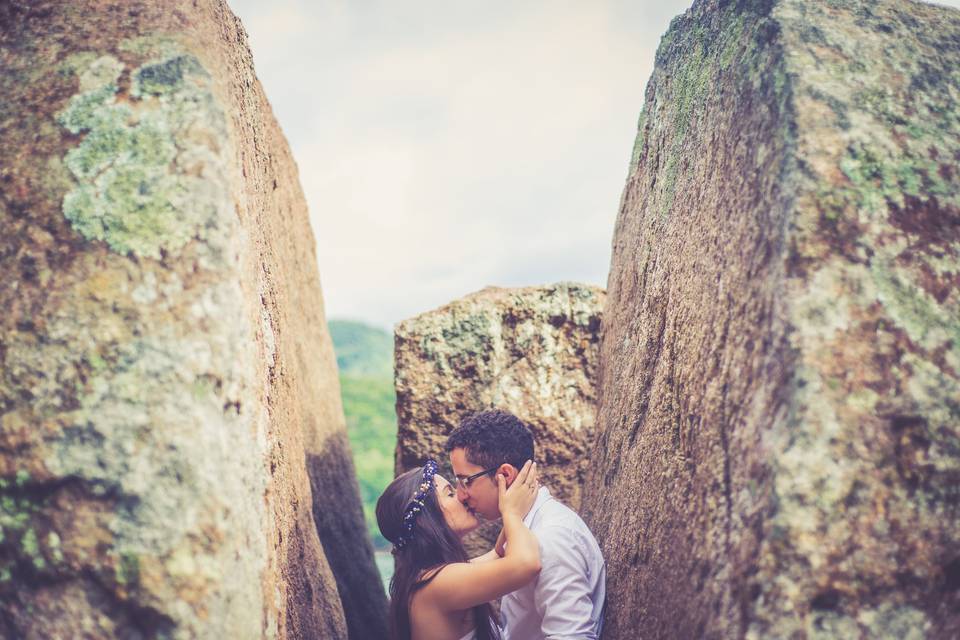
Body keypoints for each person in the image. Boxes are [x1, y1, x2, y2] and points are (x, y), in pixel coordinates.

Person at [447, 410, 606, 640]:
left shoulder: (551, 537)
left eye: (465, 481)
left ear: (504, 475)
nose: (461, 495)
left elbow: (572, 636)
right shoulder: (524, 529)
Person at [376, 457, 541, 640]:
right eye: (450, 493)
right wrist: (512, 513)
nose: (462, 496)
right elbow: (527, 564)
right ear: (426, 519)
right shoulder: (438, 583)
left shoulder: (430, 577)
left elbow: (499, 553)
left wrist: (509, 502)